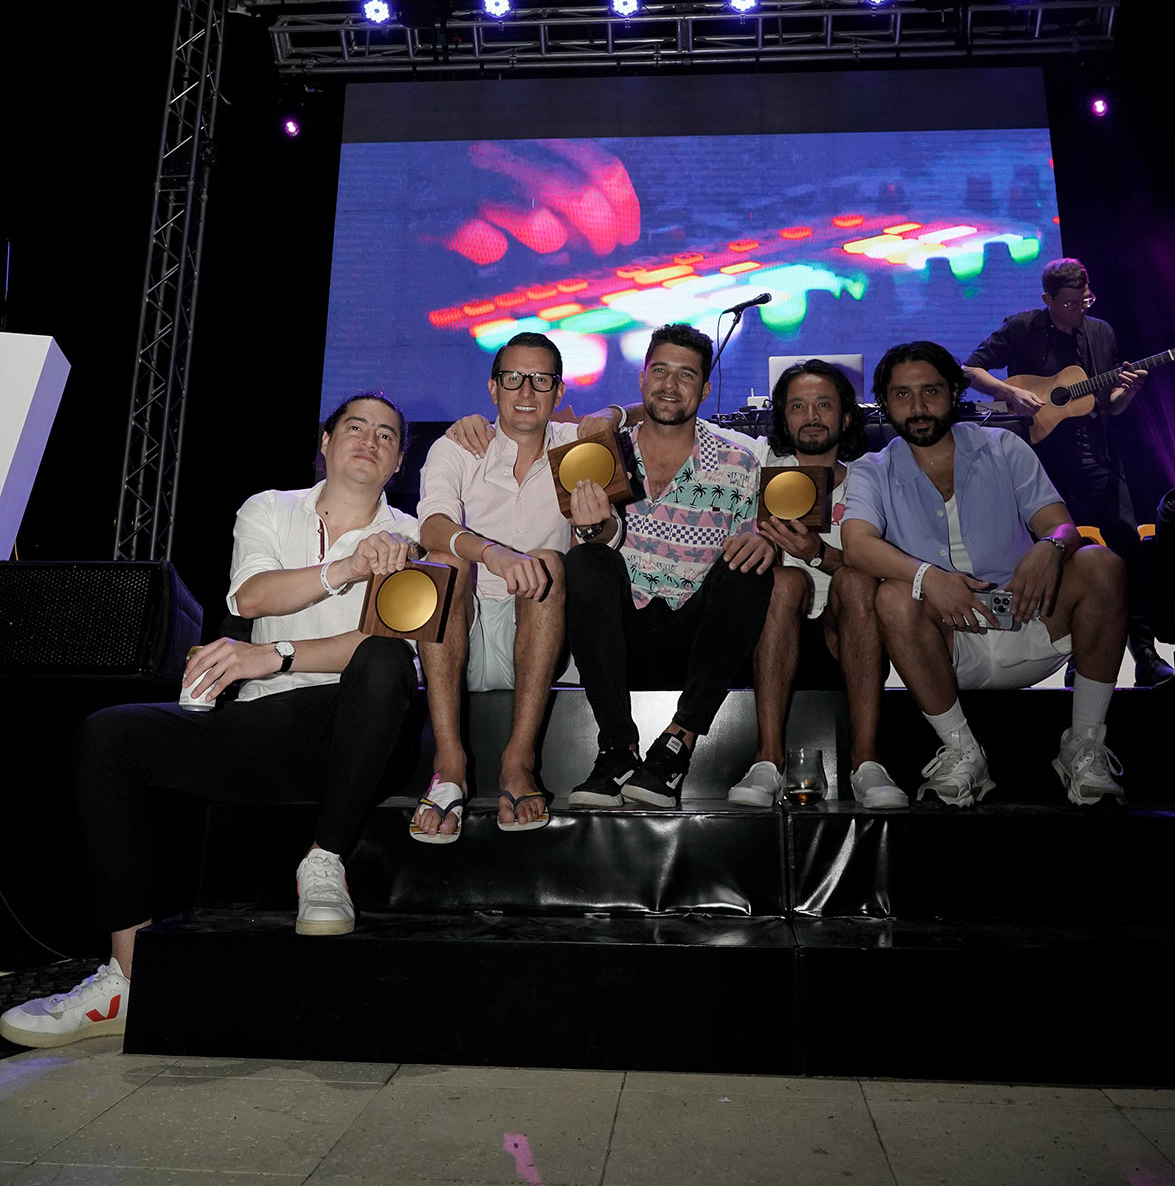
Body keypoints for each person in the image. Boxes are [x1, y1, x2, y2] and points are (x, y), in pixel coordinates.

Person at [0, 394, 420, 1049]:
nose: (369, 439)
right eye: (356, 427)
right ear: (325, 441)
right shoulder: (268, 508)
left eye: (386, 435)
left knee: (386, 661)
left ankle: (324, 860)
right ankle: (127, 974)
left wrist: (277, 654)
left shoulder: (411, 535)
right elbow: (251, 597)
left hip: (362, 734)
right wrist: (346, 568)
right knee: (110, 734)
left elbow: (388, 645)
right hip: (264, 725)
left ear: (398, 461)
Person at [841, 342, 1127, 808]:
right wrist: (929, 577)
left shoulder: (1002, 446)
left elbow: (1060, 524)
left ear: (954, 393)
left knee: (1101, 563)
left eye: (931, 391)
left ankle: (1085, 744)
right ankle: (962, 752)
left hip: (1030, 619)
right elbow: (857, 544)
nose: (918, 407)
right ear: (884, 403)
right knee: (895, 595)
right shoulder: (872, 469)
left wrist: (1051, 547)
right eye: (902, 395)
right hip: (947, 646)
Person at [415, 332, 622, 840]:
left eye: (540, 380)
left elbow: (608, 534)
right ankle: (449, 763)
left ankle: (518, 760)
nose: (526, 391)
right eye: (513, 378)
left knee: (548, 560)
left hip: (538, 635)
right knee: (442, 563)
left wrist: (594, 527)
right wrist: (493, 552)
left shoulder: (579, 448)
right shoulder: (459, 445)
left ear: (558, 390)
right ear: (493, 388)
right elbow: (432, 526)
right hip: (459, 632)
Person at [564, 323, 776, 809]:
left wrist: (762, 542)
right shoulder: (603, 453)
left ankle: (677, 745)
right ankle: (617, 749)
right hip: (620, 638)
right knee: (586, 560)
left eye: (686, 375)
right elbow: (596, 547)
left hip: (698, 643)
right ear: (641, 379)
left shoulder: (739, 462)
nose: (670, 385)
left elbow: (747, 553)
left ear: (705, 389)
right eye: (660, 371)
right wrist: (595, 530)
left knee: (752, 564)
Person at [962, 256, 1169, 685]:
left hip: (1098, 459)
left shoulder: (1100, 333)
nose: (1079, 310)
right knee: (1060, 557)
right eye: (1071, 303)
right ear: (1048, 299)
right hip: (1040, 465)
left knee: (1128, 550)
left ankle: (1145, 653)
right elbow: (969, 369)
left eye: (1085, 300)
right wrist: (1010, 392)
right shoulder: (1022, 327)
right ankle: (1076, 654)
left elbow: (1110, 406)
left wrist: (1129, 392)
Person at [724, 360, 908, 812]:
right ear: (783, 418)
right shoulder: (761, 463)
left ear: (845, 417)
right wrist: (615, 412)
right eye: (797, 406)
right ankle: (768, 759)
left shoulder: (870, 477)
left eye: (823, 405)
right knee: (784, 582)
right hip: (768, 631)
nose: (810, 416)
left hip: (846, 634)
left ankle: (866, 762)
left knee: (857, 579)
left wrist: (817, 554)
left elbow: (889, 571)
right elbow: (680, 421)